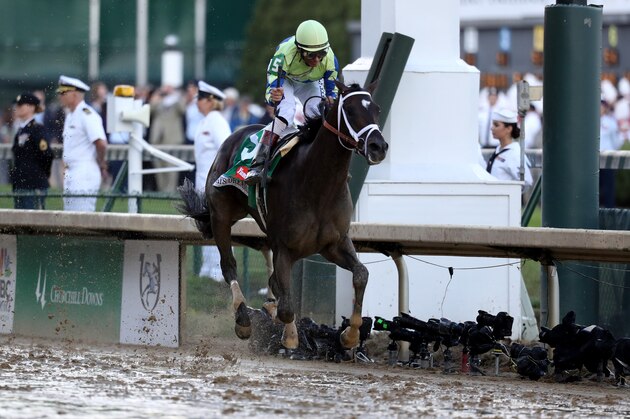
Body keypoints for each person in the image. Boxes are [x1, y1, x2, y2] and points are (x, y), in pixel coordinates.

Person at [244, 19, 339, 185]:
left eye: (321, 54)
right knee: (287, 111)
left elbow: (332, 93)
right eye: (311, 54)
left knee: (317, 113)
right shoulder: (283, 55)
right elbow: (270, 93)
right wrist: (273, 97)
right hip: (286, 79)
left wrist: (331, 103)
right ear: (299, 49)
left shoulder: (330, 59)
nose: (317, 60)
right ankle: (258, 162)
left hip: (310, 82)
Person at [194, 81, 232, 280]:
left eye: (200, 98)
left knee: (216, 223)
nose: (197, 102)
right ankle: (208, 269)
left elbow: (225, 148)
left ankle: (217, 271)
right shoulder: (205, 121)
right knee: (207, 223)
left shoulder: (216, 120)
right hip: (202, 178)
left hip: (213, 181)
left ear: (210, 101)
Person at [57, 75, 108, 212]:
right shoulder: (70, 115)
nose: (60, 96)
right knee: (69, 218)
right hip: (71, 172)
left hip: (84, 171)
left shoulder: (87, 114)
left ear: (74, 94)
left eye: (63, 92)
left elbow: (101, 143)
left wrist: (101, 163)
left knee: (81, 218)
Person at [10, 92, 53, 209]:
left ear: (31, 107)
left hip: (34, 183)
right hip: (21, 183)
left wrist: (41, 175)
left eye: (21, 105)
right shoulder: (21, 130)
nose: (17, 108)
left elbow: (47, 154)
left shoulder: (37, 129)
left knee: (35, 221)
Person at [485, 109, 533, 191]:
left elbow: (527, 181)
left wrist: (509, 195)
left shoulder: (514, 154)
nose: (492, 128)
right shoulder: (499, 150)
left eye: (496, 125)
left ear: (509, 129)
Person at [600, 99, 623, 208]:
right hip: (594, 159)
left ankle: (609, 210)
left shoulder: (610, 122)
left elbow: (616, 141)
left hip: (608, 157)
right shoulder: (589, 122)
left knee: (608, 186)